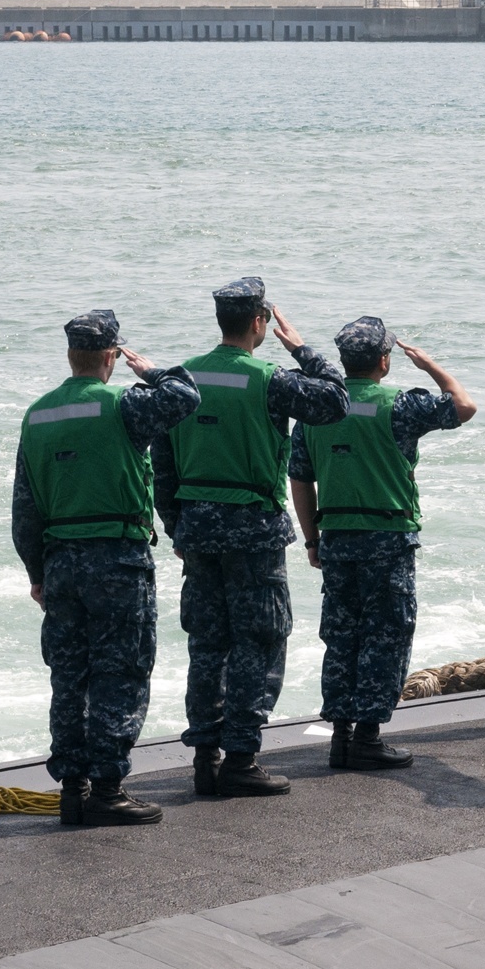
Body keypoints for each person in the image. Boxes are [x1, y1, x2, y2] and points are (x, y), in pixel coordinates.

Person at [153, 277, 349, 798]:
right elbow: (335, 402)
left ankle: (204, 757)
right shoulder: (270, 378)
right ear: (260, 322)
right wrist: (304, 350)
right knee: (258, 640)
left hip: (197, 526)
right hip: (253, 527)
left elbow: (163, 465)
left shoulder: (181, 377)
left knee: (208, 642)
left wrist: (177, 524)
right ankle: (240, 758)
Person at [12, 309, 199, 826]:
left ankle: (74, 786)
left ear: (70, 355)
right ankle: (109, 789)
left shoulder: (38, 414)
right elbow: (187, 398)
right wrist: (155, 371)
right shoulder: (125, 405)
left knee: (70, 675)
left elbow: (24, 507)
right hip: (117, 558)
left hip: (61, 562)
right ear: (113, 356)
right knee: (121, 670)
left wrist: (36, 572)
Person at [288, 317, 478, 771]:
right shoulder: (400, 405)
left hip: (335, 535)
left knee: (341, 634)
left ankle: (340, 736)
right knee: (386, 635)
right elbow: (464, 406)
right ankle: (368, 736)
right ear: (385, 361)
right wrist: (431, 365)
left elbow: (299, 478)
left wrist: (312, 538)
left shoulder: (318, 410)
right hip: (387, 538)